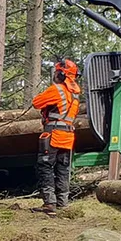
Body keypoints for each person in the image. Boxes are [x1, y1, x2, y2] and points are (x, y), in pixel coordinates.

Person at [31, 58, 80, 215]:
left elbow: (36, 102)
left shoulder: (57, 90)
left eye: (57, 72)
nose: (54, 74)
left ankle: (49, 203)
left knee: (45, 166)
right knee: (63, 169)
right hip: (68, 136)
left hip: (53, 134)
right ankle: (62, 203)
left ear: (61, 74)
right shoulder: (75, 95)